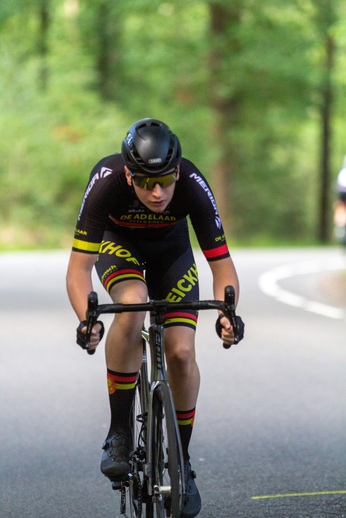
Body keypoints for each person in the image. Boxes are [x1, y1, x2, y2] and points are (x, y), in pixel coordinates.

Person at [66, 118, 243, 518]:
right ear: (129, 176)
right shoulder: (107, 178)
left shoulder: (194, 184)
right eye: (146, 183)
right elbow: (78, 269)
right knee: (133, 301)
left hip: (173, 255)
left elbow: (222, 266)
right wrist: (87, 320)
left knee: (181, 353)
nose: (158, 192)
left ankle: (183, 461)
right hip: (119, 247)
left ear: (177, 170)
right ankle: (120, 433)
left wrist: (228, 314)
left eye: (165, 180)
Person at [334, 156, 346, 245]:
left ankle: (340, 227)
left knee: (340, 208)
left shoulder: (342, 172)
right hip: (342, 191)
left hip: (341, 192)